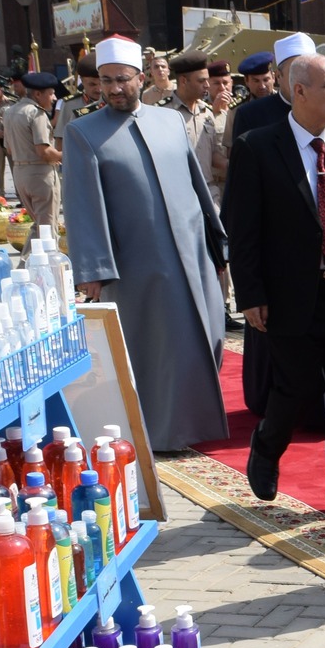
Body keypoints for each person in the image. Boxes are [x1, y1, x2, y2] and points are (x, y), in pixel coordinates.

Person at [228, 54, 325, 523]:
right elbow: (243, 228)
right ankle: (267, 445)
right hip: (289, 293)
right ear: (299, 91)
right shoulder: (258, 147)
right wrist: (251, 294)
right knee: (296, 386)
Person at [65, 36, 232, 450]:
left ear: (141, 78)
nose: (114, 89)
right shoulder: (83, 131)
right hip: (138, 261)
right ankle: (160, 433)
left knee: (208, 333)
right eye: (106, 81)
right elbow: (82, 204)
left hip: (193, 253)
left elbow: (197, 183)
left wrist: (218, 243)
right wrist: (93, 270)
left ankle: (197, 423)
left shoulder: (169, 120)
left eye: (122, 79)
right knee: (158, 349)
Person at [233, 33, 320, 413]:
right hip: (275, 253)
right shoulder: (253, 116)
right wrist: (250, 287)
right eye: (293, 71)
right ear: (280, 77)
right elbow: (243, 207)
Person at [165, 51, 227, 208]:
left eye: (207, 80)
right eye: (201, 81)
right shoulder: (163, 113)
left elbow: (214, 155)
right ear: (183, 81)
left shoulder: (207, 112)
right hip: (178, 195)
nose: (207, 85)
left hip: (209, 192)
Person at [4, 71, 62, 227]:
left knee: (39, 226)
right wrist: (67, 155)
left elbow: (9, 149)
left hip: (20, 173)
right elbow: (44, 152)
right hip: (40, 174)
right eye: (51, 93)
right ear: (37, 94)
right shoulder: (37, 114)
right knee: (47, 229)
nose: (54, 98)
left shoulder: (10, 111)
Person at [221, 50, 276, 166]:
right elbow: (231, 149)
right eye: (256, 81)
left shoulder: (286, 104)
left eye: (266, 80)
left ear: (273, 78)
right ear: (246, 81)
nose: (262, 86)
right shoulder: (237, 110)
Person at [52, 54, 100, 148]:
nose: (99, 89)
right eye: (92, 84)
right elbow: (60, 140)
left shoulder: (114, 101)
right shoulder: (70, 104)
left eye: (102, 82)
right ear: (82, 80)